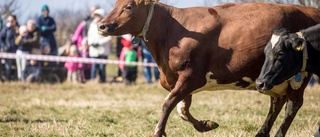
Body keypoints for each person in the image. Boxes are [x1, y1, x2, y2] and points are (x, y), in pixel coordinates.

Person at [88, 9, 112, 83]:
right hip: (94, 50)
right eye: (96, 15)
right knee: (94, 67)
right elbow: (89, 35)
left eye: (98, 15)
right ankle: (93, 80)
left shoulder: (106, 24)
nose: (97, 17)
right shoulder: (92, 24)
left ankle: (102, 81)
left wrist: (99, 43)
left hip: (103, 50)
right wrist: (91, 43)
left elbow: (109, 37)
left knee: (102, 67)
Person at [0, 15, 19, 81]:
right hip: (7, 50)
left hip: (17, 51)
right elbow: (1, 38)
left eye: (11, 21)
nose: (10, 22)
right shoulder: (6, 29)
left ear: (15, 21)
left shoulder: (18, 29)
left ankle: (17, 79)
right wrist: (4, 46)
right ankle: (7, 80)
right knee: (7, 66)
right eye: (8, 21)